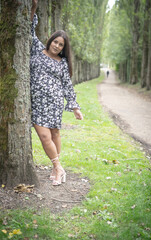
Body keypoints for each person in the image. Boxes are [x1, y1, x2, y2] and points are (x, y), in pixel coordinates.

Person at [30, 0, 83, 186]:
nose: (57, 46)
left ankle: (56, 170)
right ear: (50, 40)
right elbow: (28, 28)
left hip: (54, 103)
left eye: (61, 45)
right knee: (44, 137)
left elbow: (67, 85)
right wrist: (34, 7)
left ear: (63, 48)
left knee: (54, 135)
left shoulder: (62, 63)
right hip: (36, 103)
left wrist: (75, 106)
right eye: (55, 42)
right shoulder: (37, 49)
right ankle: (59, 167)